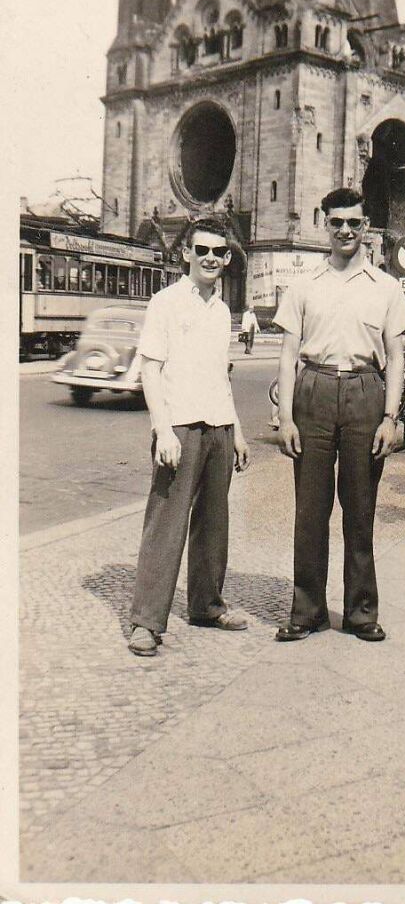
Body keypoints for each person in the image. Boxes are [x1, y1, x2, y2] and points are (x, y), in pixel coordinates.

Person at [273, 187, 405, 643]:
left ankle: (360, 612)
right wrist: (286, 418)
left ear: (365, 226)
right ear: (325, 225)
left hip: (365, 393)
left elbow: (396, 357)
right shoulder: (304, 286)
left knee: (360, 508)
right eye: (337, 223)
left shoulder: (387, 288)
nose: (346, 231)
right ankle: (307, 610)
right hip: (312, 392)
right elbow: (289, 353)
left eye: (354, 222)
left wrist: (391, 418)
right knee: (310, 511)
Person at [128, 216, 251, 656]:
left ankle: (207, 605)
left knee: (213, 523)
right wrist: (163, 429)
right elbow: (150, 369)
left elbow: (221, 376)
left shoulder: (222, 311)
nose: (212, 258)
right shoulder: (165, 302)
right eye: (203, 251)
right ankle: (146, 620)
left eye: (220, 252)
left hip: (218, 425)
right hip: (179, 427)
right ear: (186, 254)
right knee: (166, 522)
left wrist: (236, 431)